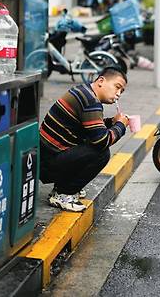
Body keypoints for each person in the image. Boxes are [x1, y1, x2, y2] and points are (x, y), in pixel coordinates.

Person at [39, 66, 130, 212]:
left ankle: (62, 186)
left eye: (122, 91)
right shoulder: (90, 101)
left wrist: (111, 122)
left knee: (91, 144)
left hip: (45, 155)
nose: (118, 94)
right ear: (101, 81)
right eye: (117, 87)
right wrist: (121, 126)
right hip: (47, 163)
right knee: (101, 153)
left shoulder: (85, 91)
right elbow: (102, 141)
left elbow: (90, 128)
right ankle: (64, 193)